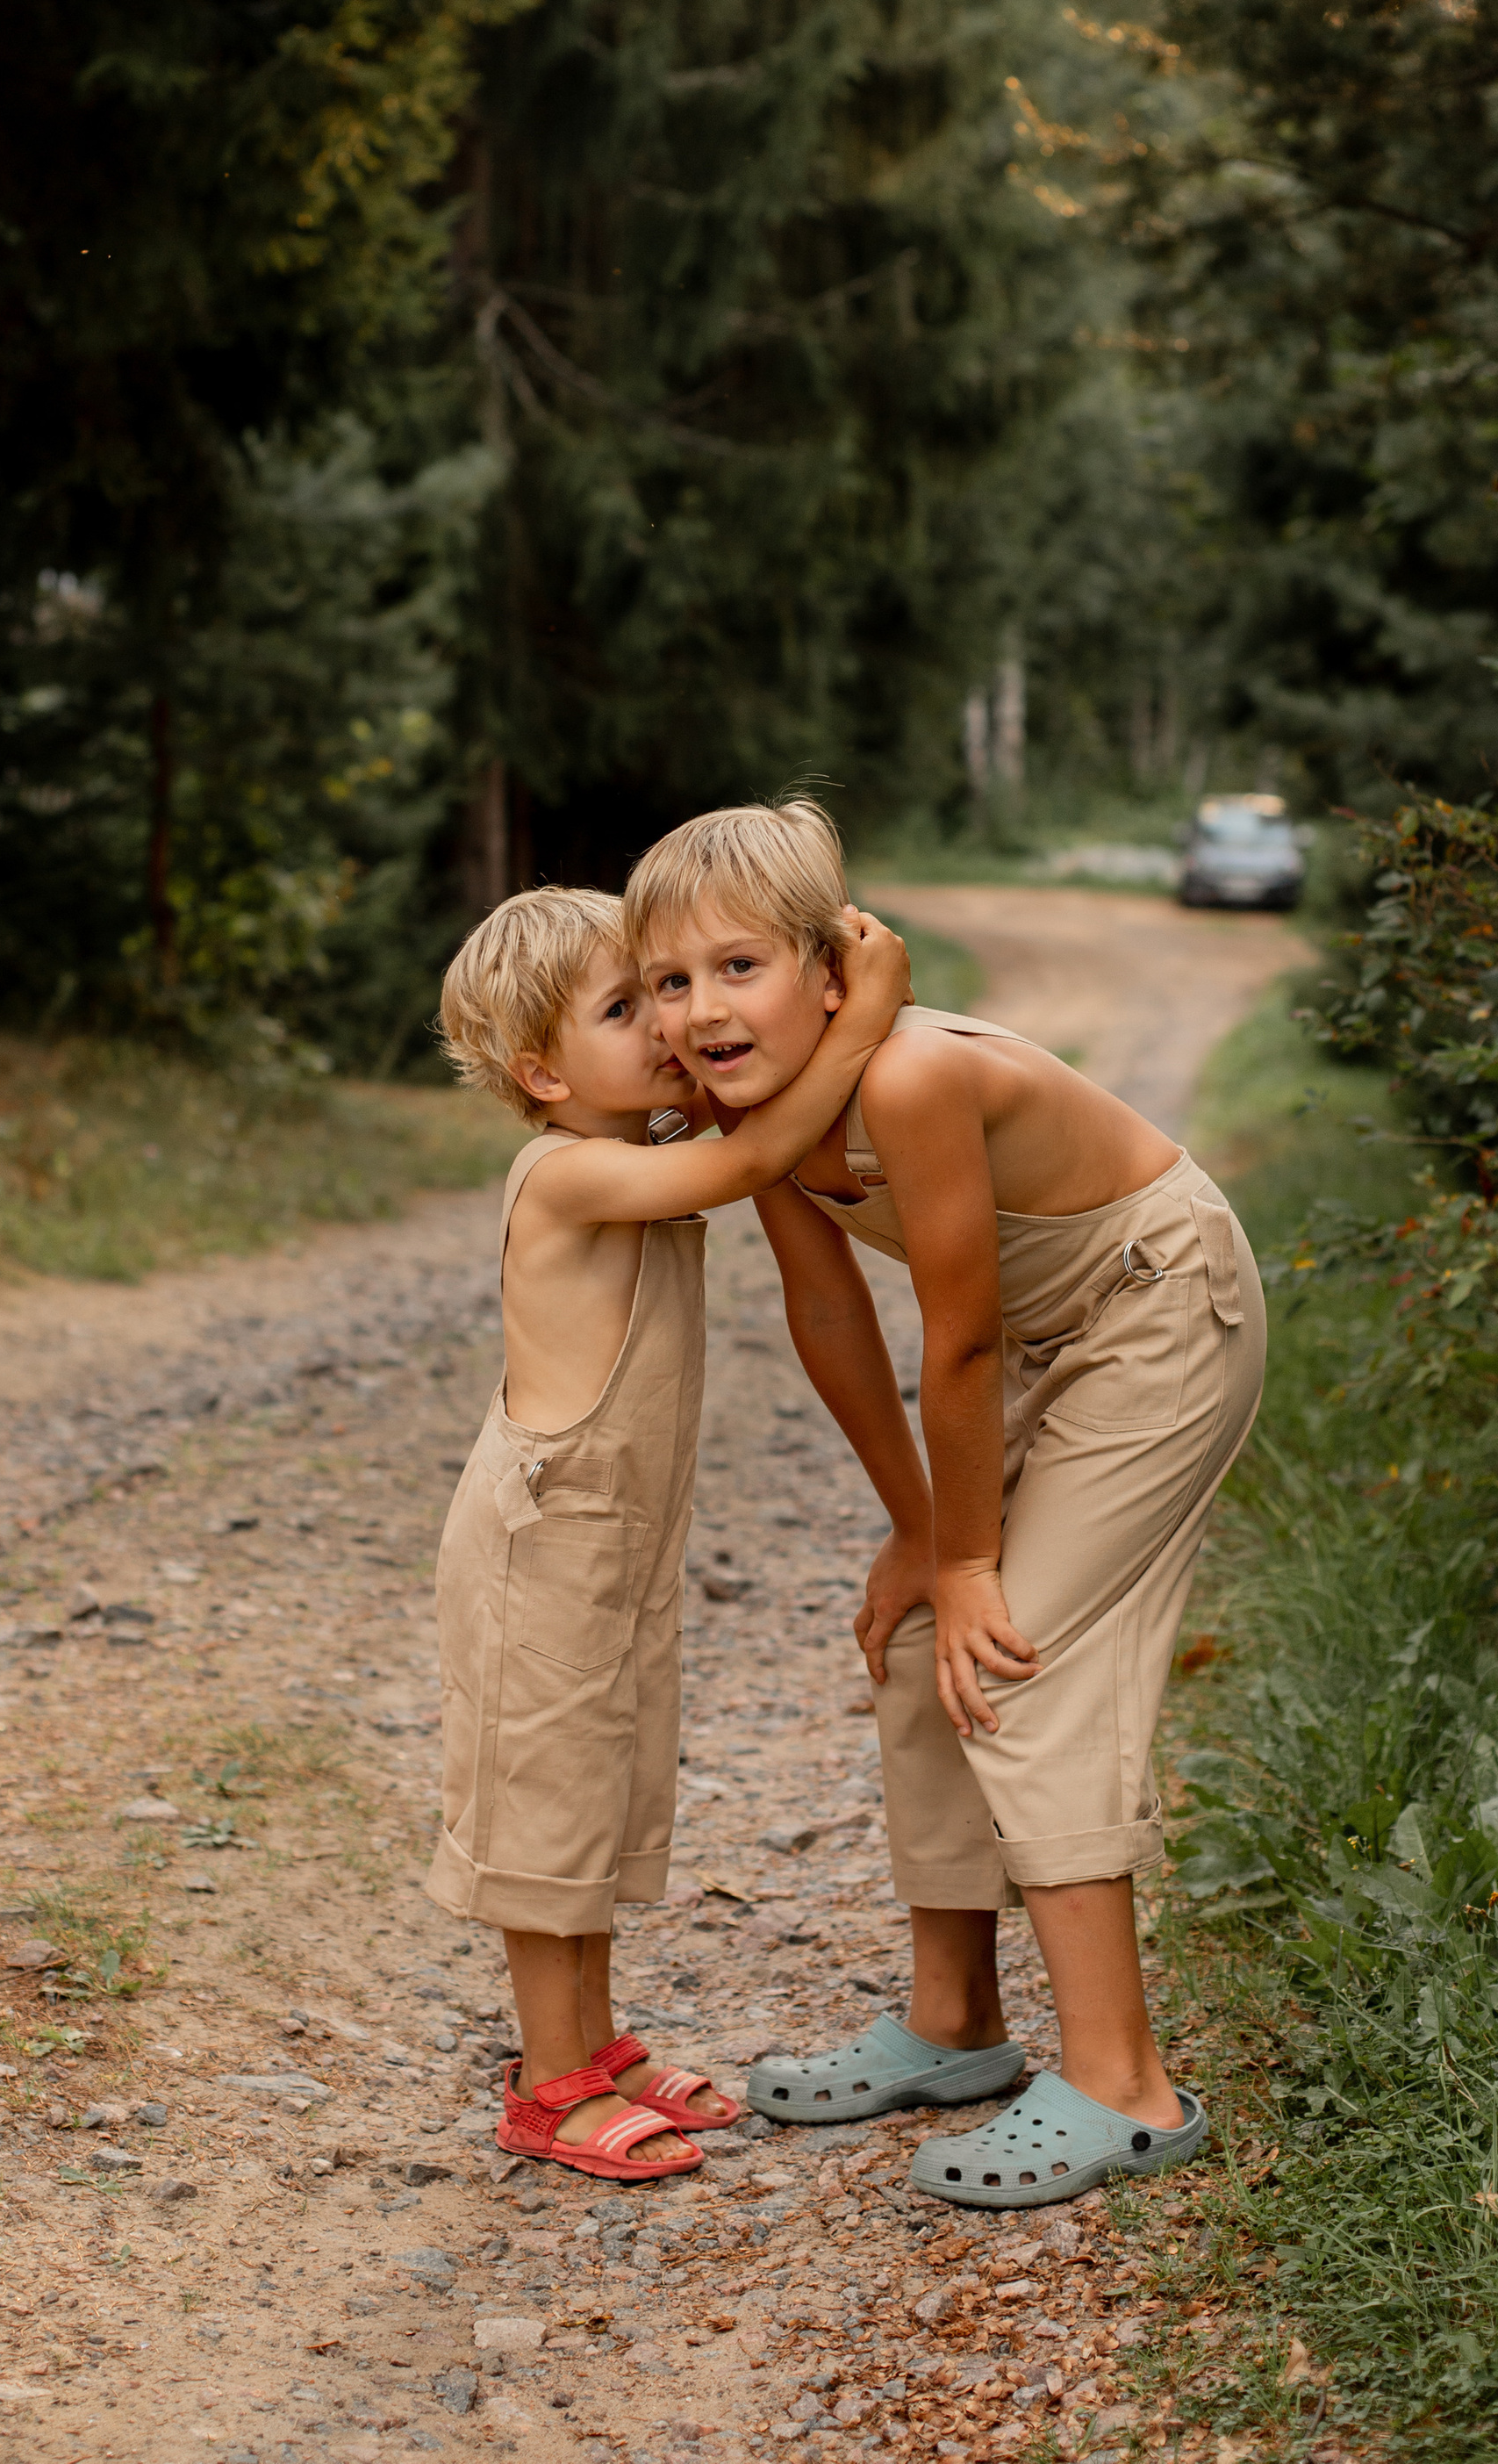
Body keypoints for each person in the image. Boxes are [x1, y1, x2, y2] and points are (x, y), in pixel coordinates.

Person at [624, 801, 1265, 2210]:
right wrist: (921, 1537)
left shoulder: (908, 1080)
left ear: (833, 972)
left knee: (1009, 1653)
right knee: (924, 1643)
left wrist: (971, 1555)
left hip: (1160, 1313)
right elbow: (828, 1311)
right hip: (1060, 1342)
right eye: (670, 981)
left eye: (740, 967)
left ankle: (1126, 2087)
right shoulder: (764, 1118)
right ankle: (956, 2023)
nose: (703, 1008)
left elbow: (959, 1335)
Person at [428, 881, 912, 2183]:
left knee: (598, 1789)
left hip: (613, 1538)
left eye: (666, 995)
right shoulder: (570, 1170)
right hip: (545, 1539)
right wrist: (859, 1019)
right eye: (625, 1004)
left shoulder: (631, 1145)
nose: (665, 1025)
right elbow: (755, 1158)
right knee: (544, 1809)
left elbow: (733, 1128)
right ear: (540, 1070)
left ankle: (590, 2046)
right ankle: (544, 2087)